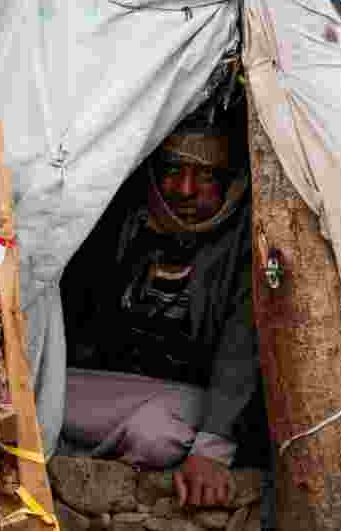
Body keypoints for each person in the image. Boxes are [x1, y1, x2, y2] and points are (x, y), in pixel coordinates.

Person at [60, 107, 264, 508]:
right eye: (172, 170)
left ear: (232, 183)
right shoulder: (125, 224)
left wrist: (213, 450)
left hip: (197, 399)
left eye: (205, 175)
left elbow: (242, 348)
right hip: (116, 389)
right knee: (34, 397)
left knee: (156, 435)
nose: (184, 189)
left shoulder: (246, 245)